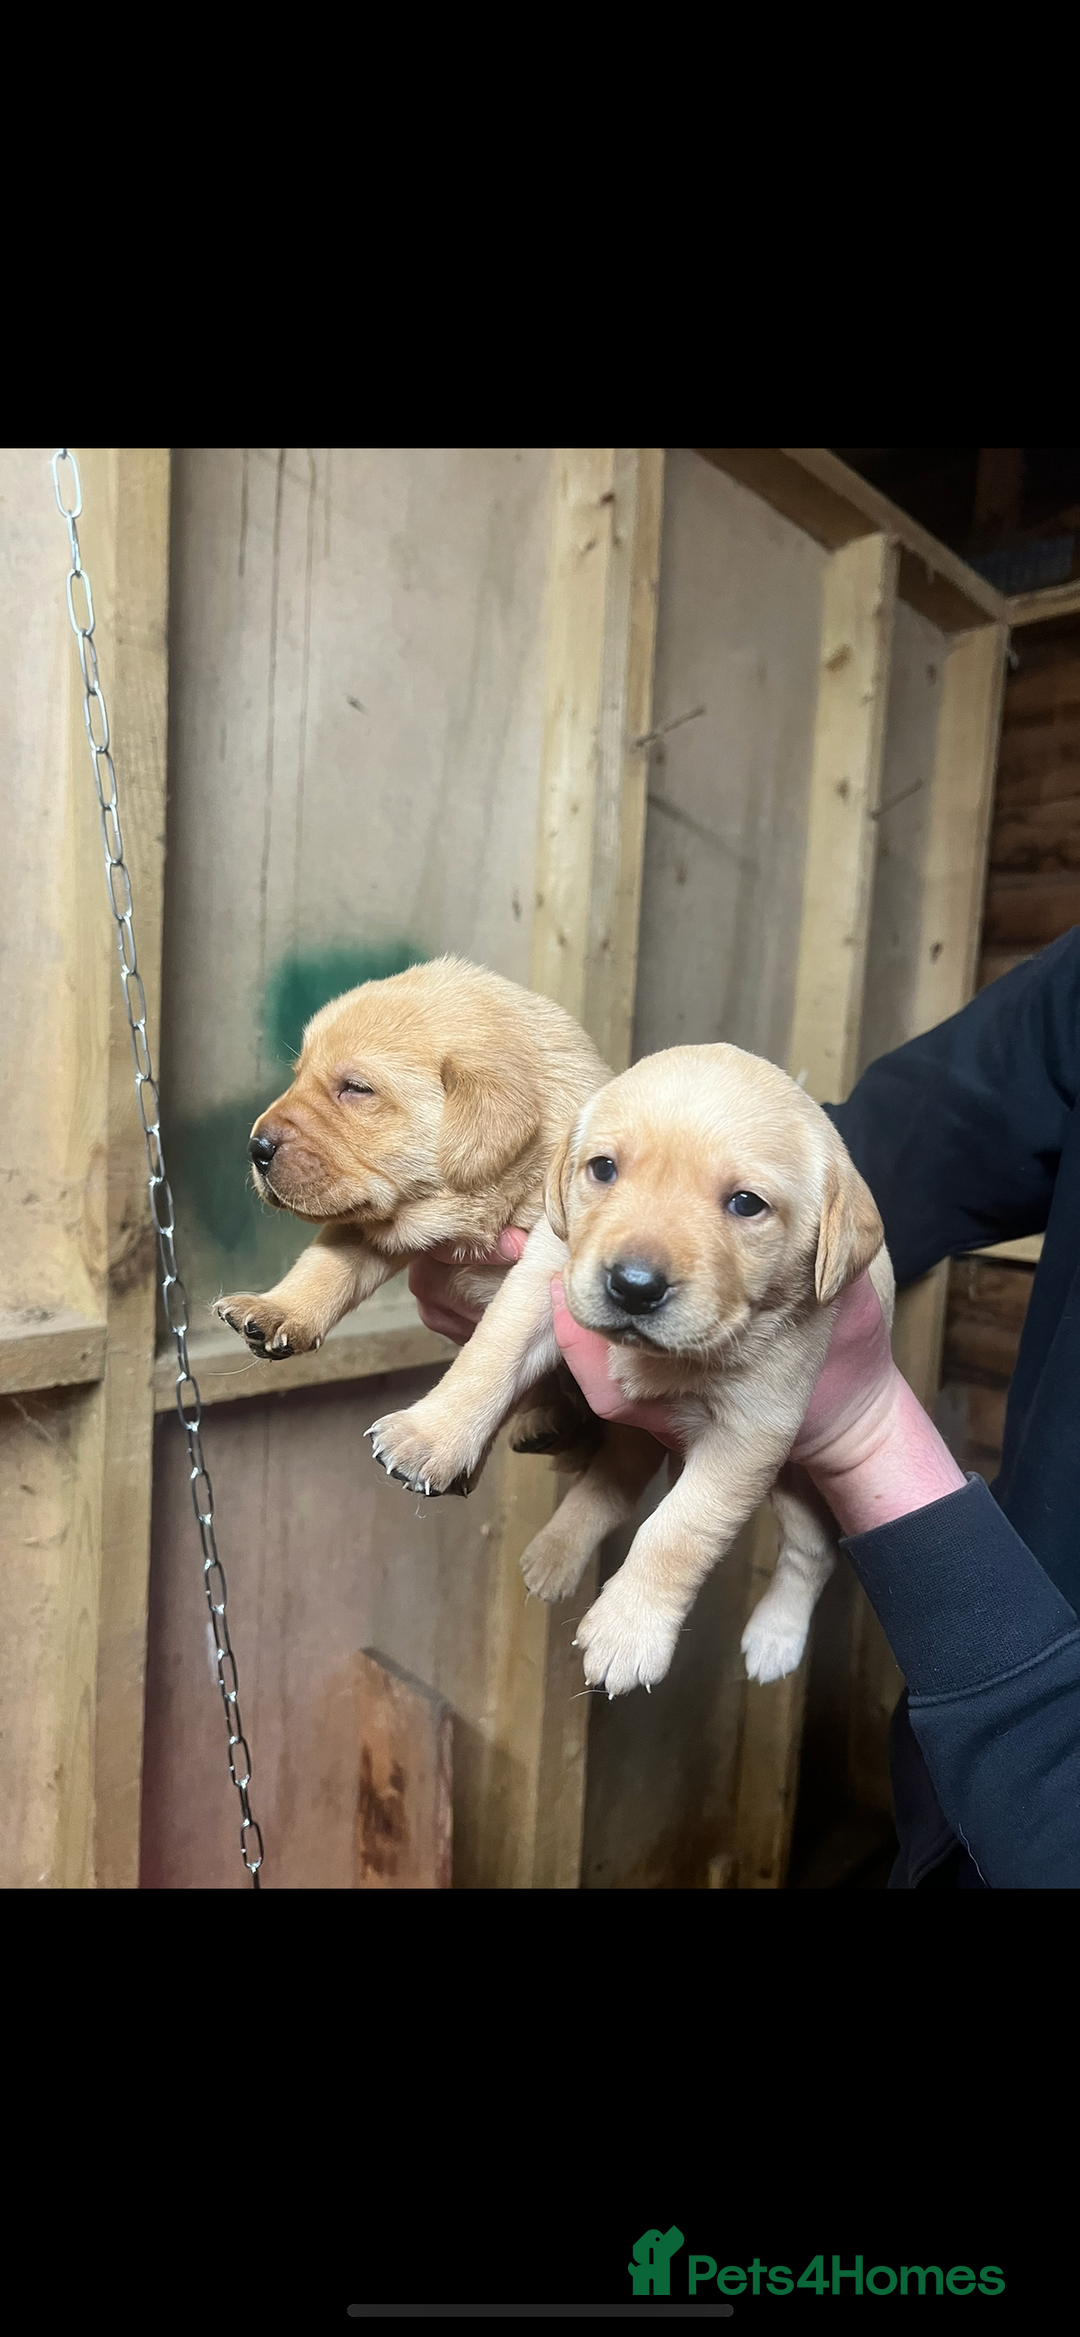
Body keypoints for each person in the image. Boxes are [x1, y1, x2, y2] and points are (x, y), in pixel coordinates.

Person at [410, 929, 1080, 1890]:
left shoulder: (830, 1236)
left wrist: (857, 1429)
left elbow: (831, 1205)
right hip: (959, 1747)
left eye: (744, 1205)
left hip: (1032, 1740)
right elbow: (907, 1131)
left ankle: (790, 1583)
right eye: (604, 1168)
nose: (643, 1259)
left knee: (798, 1506)